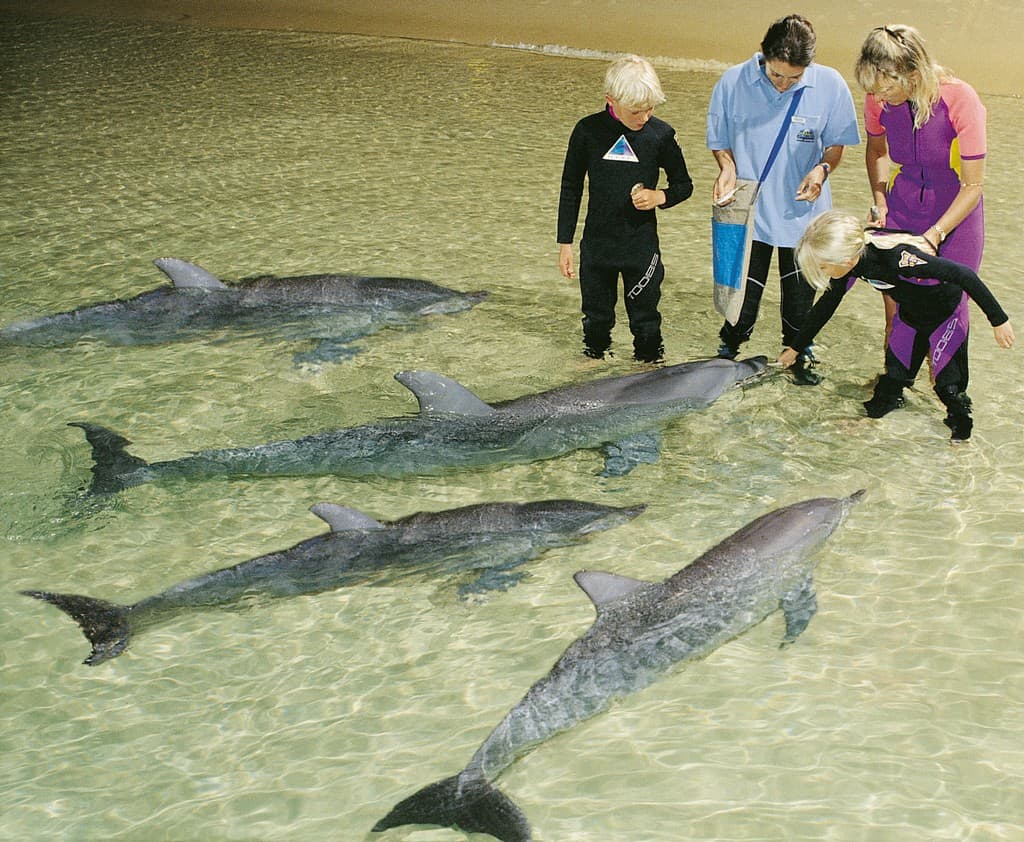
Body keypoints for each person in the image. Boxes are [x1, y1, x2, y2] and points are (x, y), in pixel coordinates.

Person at [706, 14, 860, 384]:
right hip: (749, 217)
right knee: (739, 309)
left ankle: (798, 359)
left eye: (795, 78)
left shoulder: (831, 85)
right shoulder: (732, 82)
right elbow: (719, 142)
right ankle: (726, 359)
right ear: (762, 54)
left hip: (804, 220)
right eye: (777, 74)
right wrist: (726, 167)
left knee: (798, 314)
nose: (784, 84)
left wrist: (822, 170)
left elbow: (836, 146)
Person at [778, 210, 1014, 440]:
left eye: (823, 267)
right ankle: (871, 420)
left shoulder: (898, 259)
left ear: (845, 259)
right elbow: (826, 306)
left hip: (945, 316)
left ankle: (962, 440)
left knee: (949, 389)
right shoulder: (852, 261)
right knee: (893, 378)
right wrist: (795, 348)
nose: (823, 273)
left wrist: (999, 320)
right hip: (909, 317)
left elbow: (964, 275)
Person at [855, 24, 987, 354]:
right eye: (874, 89)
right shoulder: (877, 98)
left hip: (956, 214)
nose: (878, 97)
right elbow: (877, 151)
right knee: (897, 316)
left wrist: (935, 234)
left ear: (912, 73)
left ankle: (945, 395)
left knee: (949, 316)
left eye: (886, 88)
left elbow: (973, 185)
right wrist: (880, 200)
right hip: (903, 205)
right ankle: (893, 390)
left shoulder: (960, 99)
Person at [557, 54, 693, 362]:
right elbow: (571, 188)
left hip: (640, 249)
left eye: (650, 109)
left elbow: (684, 186)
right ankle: (593, 365)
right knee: (596, 318)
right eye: (636, 111)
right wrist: (564, 243)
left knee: (645, 320)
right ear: (611, 100)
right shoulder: (588, 131)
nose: (644, 117)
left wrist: (659, 197)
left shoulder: (661, 135)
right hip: (597, 247)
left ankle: (648, 369)